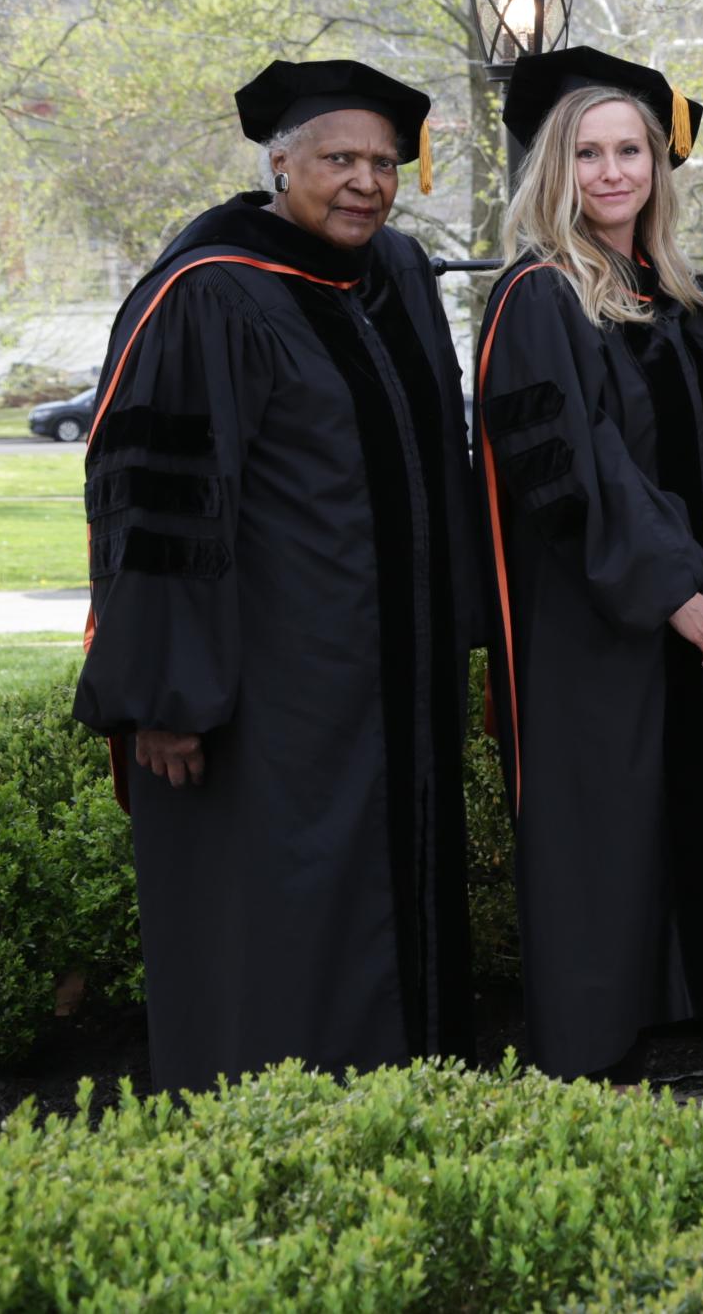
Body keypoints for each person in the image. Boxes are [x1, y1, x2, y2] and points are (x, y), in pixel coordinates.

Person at [73, 59, 475, 1091]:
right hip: (265, 697)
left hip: (390, 683)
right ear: (279, 162)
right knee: (278, 917)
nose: (366, 182)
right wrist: (162, 697)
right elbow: (153, 510)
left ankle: (409, 1111)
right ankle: (264, 1139)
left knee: (395, 914)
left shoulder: (399, 277)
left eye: (383, 163)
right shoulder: (207, 292)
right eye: (339, 158)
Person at [473, 47, 703, 1080]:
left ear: (658, 163)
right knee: (602, 827)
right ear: (555, 168)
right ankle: (594, 1054)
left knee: (687, 817)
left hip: (701, 619)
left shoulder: (686, 298)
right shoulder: (538, 296)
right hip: (593, 624)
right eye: (588, 152)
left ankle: (691, 1025)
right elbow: (572, 476)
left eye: (630, 150)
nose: (612, 171)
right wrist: (676, 596)